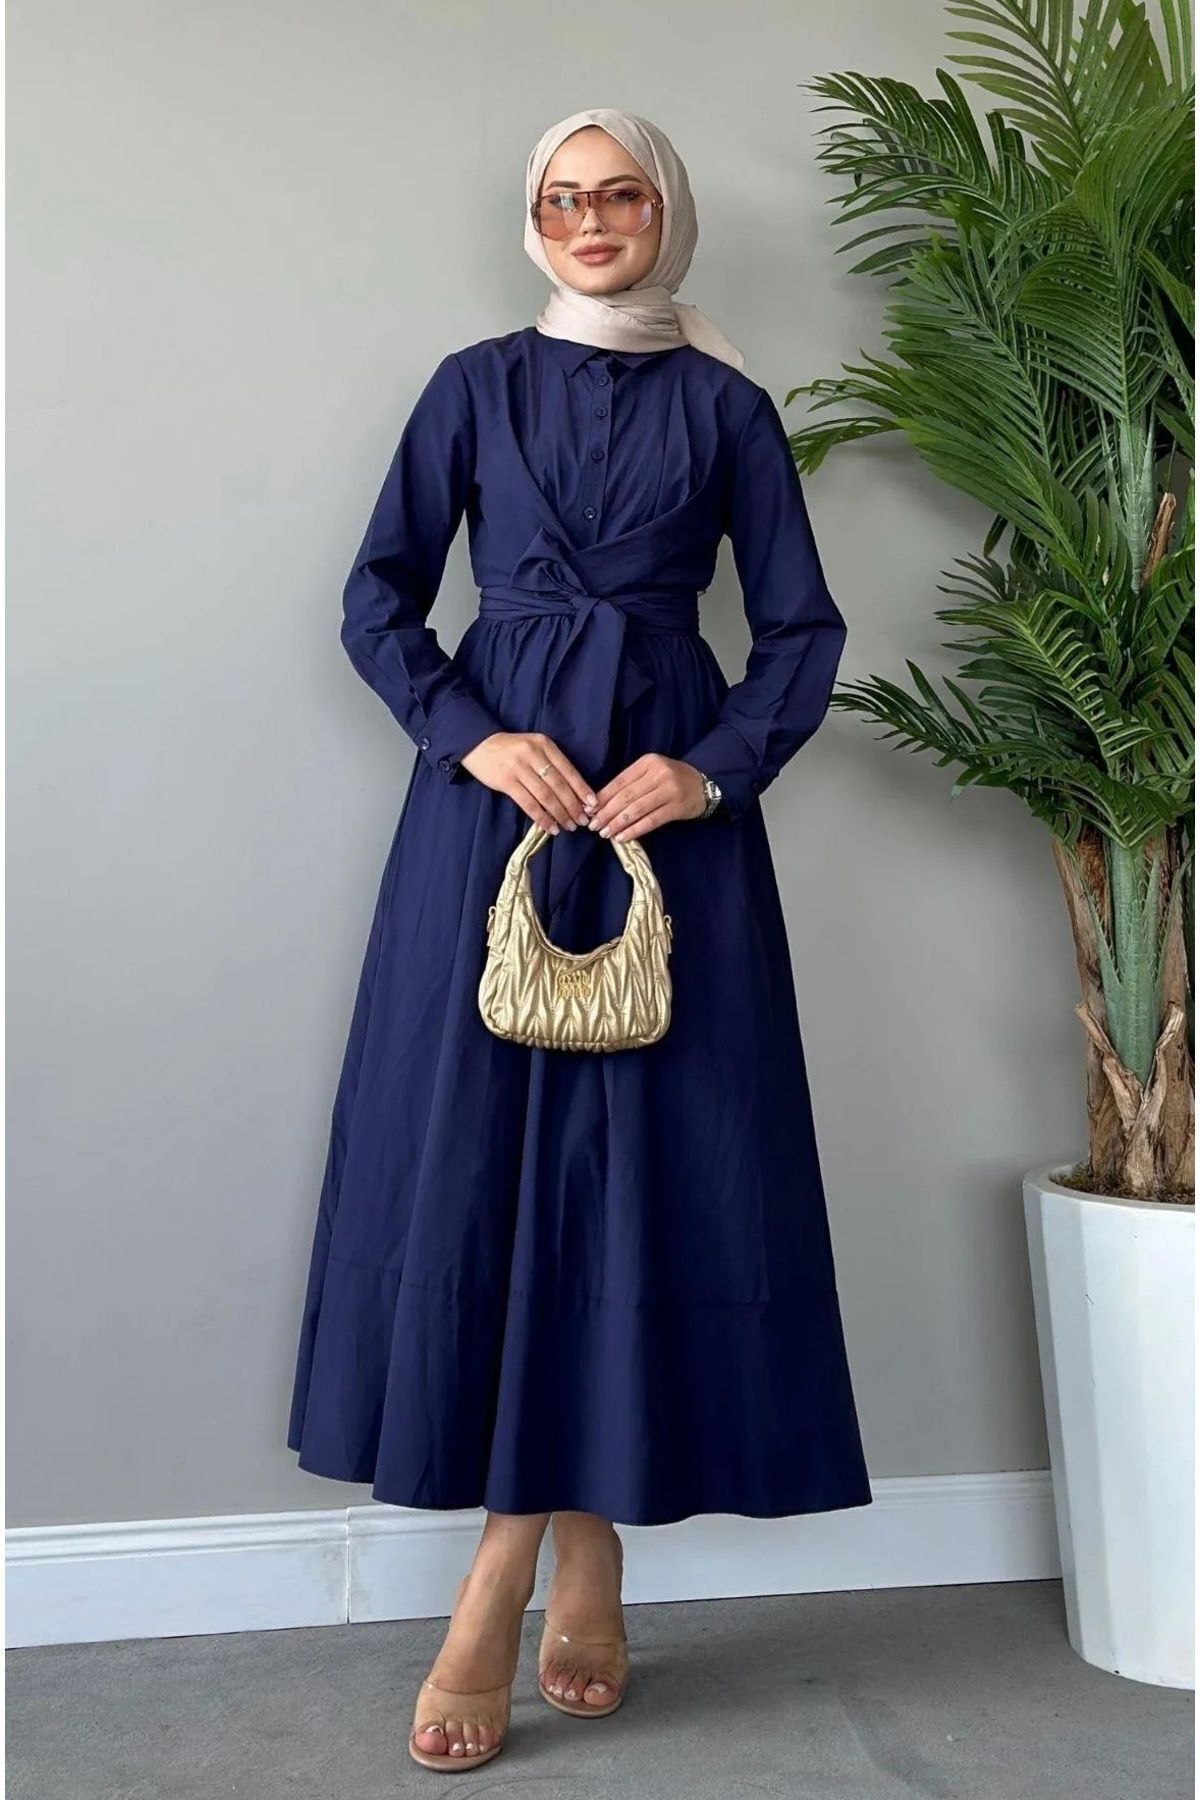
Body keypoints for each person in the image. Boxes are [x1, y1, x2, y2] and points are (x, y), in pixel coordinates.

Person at [286, 106, 872, 1775]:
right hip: (496, 818)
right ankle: (572, 1553)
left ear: (664, 212)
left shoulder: (728, 406)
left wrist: (712, 767)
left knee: (649, 1179)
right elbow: (378, 599)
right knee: (488, 1175)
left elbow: (802, 629)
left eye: (619, 195)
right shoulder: (472, 387)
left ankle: (517, 1576)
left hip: (664, 821)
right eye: (561, 200)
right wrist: (472, 738)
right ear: (534, 224)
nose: (591, 219)